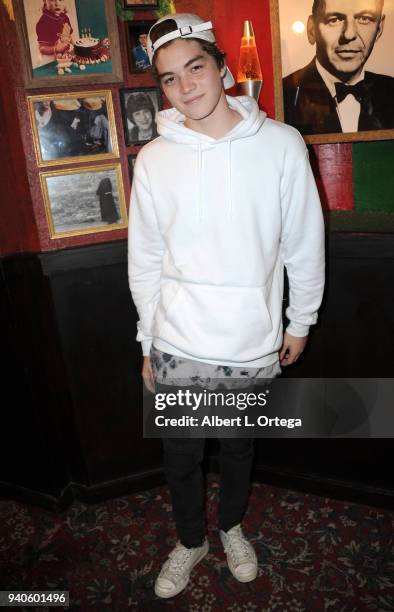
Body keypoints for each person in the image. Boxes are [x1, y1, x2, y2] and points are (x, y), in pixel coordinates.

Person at [128, 13, 325, 599]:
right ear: (160, 89)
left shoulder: (283, 145)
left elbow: (303, 241)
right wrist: (147, 340)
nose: (185, 86)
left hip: (252, 340)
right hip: (178, 341)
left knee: (239, 448)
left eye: (195, 67)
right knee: (182, 458)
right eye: (168, 78)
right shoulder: (155, 160)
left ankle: (232, 527)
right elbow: (145, 261)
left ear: (222, 67)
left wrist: (301, 319)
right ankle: (190, 540)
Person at [283, 0, 394, 134]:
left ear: (379, 27)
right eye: (334, 20)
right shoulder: (284, 95)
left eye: (364, 19)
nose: (349, 34)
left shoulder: (390, 91)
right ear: (312, 29)